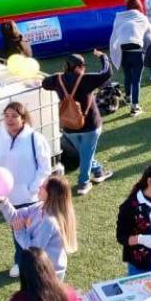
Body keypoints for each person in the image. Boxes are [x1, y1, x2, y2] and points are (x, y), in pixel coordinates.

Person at [0, 101, 54, 277]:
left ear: (23, 118)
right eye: (6, 115)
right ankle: (21, 262)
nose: (10, 119)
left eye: (14, 116)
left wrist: (32, 188)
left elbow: (45, 167)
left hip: (30, 198)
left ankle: (34, 264)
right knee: (17, 231)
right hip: (7, 199)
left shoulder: (35, 138)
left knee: (33, 232)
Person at [41, 51, 113, 196]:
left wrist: (59, 76)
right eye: (83, 66)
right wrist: (103, 57)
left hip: (68, 127)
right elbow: (106, 72)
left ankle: (98, 171)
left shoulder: (57, 79)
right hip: (90, 126)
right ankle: (84, 183)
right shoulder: (86, 79)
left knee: (84, 153)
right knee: (86, 154)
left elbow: (44, 83)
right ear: (78, 67)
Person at [0, 174, 78, 279]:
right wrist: (3, 201)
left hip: (50, 273)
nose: (39, 187)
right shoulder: (40, 206)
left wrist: (19, 232)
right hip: (41, 267)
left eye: (43, 187)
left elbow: (34, 251)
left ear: (51, 194)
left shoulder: (49, 222)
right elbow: (15, 217)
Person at [108, 0, 151, 116]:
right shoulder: (142, 18)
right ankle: (135, 107)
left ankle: (128, 97)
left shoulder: (119, 18)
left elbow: (114, 36)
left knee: (127, 76)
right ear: (139, 6)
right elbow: (150, 37)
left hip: (123, 52)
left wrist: (115, 50)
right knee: (136, 80)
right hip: (137, 53)